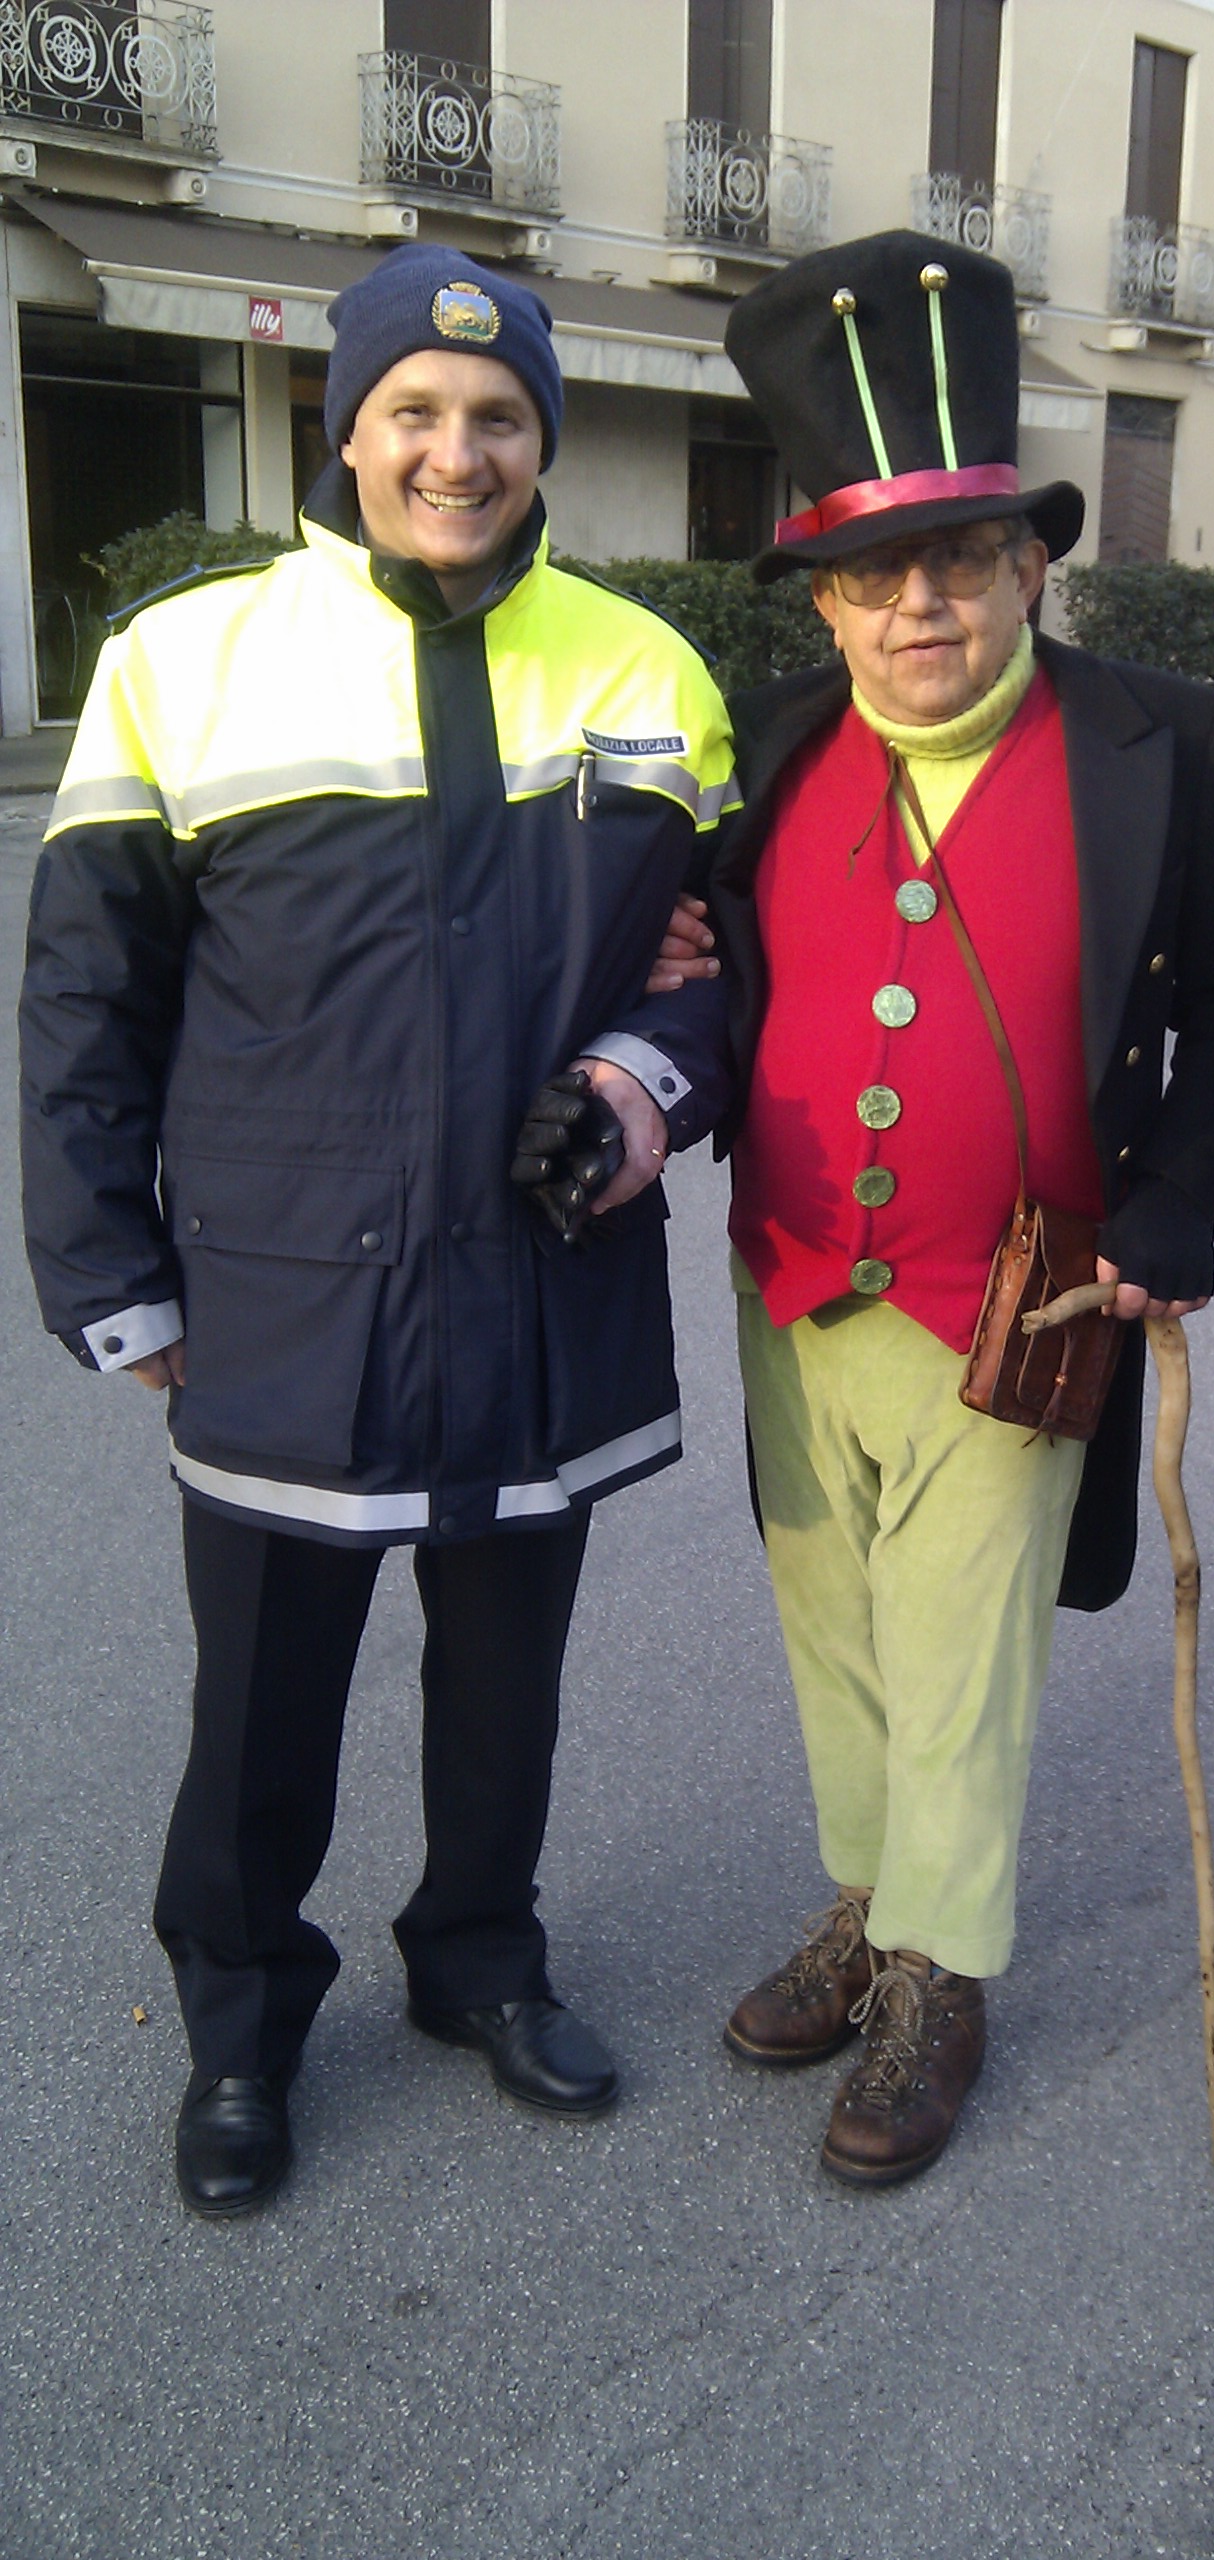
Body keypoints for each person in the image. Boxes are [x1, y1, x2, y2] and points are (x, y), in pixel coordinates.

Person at [18, 246, 735, 2216]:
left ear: (546, 443)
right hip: (284, 1289)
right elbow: (89, 999)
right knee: (261, 1693)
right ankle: (242, 2019)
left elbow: (719, 967)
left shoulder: (644, 669)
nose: (458, 448)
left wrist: (638, 1085)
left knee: (508, 1676)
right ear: (344, 431)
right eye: (415, 411)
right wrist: (105, 1264)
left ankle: (480, 1961)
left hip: (541, 1268)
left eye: (499, 417)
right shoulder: (187, 658)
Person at [706, 232, 1214, 2187]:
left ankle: (942, 1974)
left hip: (1018, 1298)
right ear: (832, 601)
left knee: (963, 1647)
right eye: (872, 571)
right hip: (790, 1280)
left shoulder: (1160, 743)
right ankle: (873, 1902)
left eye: (960, 555)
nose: (917, 602)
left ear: (1032, 562)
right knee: (838, 1639)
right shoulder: (775, 748)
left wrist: (1178, 1196)